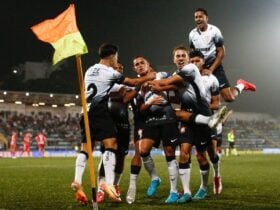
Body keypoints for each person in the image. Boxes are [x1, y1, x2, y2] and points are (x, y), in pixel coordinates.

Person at [71, 43, 156, 205]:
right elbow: (132, 82)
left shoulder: (89, 69)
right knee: (111, 144)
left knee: (85, 148)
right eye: (116, 56)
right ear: (113, 56)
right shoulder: (110, 72)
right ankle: (108, 183)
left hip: (85, 112)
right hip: (98, 112)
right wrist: (149, 77)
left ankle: (77, 180)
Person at [149, 46, 229, 204]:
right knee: (184, 152)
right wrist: (161, 89)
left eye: (183, 55)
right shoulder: (176, 75)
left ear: (187, 58)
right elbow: (172, 95)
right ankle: (186, 192)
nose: (180, 58)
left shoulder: (191, 68)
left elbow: (166, 83)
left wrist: (156, 83)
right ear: (173, 59)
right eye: (177, 56)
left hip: (202, 112)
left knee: (202, 156)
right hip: (187, 119)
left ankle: (204, 187)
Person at [189, 8, 256, 103]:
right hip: (200, 67)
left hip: (214, 67)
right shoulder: (192, 34)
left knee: (229, 98)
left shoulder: (214, 31)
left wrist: (211, 70)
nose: (198, 19)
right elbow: (193, 52)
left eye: (200, 16)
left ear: (206, 18)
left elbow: (221, 52)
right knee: (199, 95)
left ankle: (242, 85)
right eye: (196, 17)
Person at [96, 62, 137, 203]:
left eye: (121, 68)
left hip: (124, 125)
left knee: (121, 157)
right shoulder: (104, 83)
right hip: (109, 125)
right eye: (116, 68)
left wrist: (133, 90)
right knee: (106, 156)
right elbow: (118, 94)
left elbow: (127, 97)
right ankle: (101, 188)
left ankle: (115, 184)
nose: (119, 70)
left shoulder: (127, 86)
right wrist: (123, 91)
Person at [126, 56, 161, 204]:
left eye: (142, 63)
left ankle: (176, 188)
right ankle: (134, 186)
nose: (139, 66)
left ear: (148, 65)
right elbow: (128, 101)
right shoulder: (134, 86)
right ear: (134, 69)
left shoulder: (158, 77)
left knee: (171, 152)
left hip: (160, 118)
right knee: (141, 151)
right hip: (141, 121)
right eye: (136, 65)